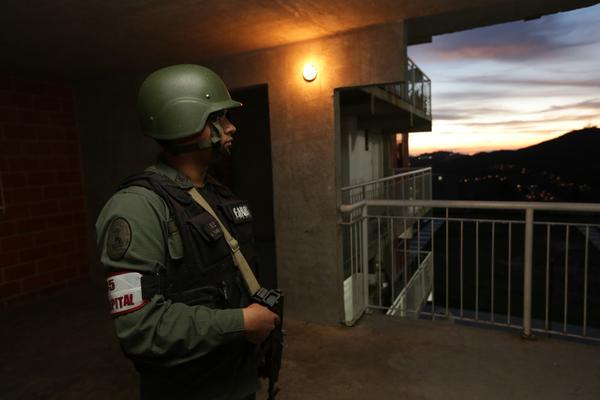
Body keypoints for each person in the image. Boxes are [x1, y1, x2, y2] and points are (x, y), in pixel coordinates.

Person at [95, 64, 279, 400]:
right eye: (219, 118)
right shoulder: (137, 208)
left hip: (236, 378)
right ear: (187, 121)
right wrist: (241, 322)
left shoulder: (216, 193)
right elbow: (140, 328)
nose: (231, 127)